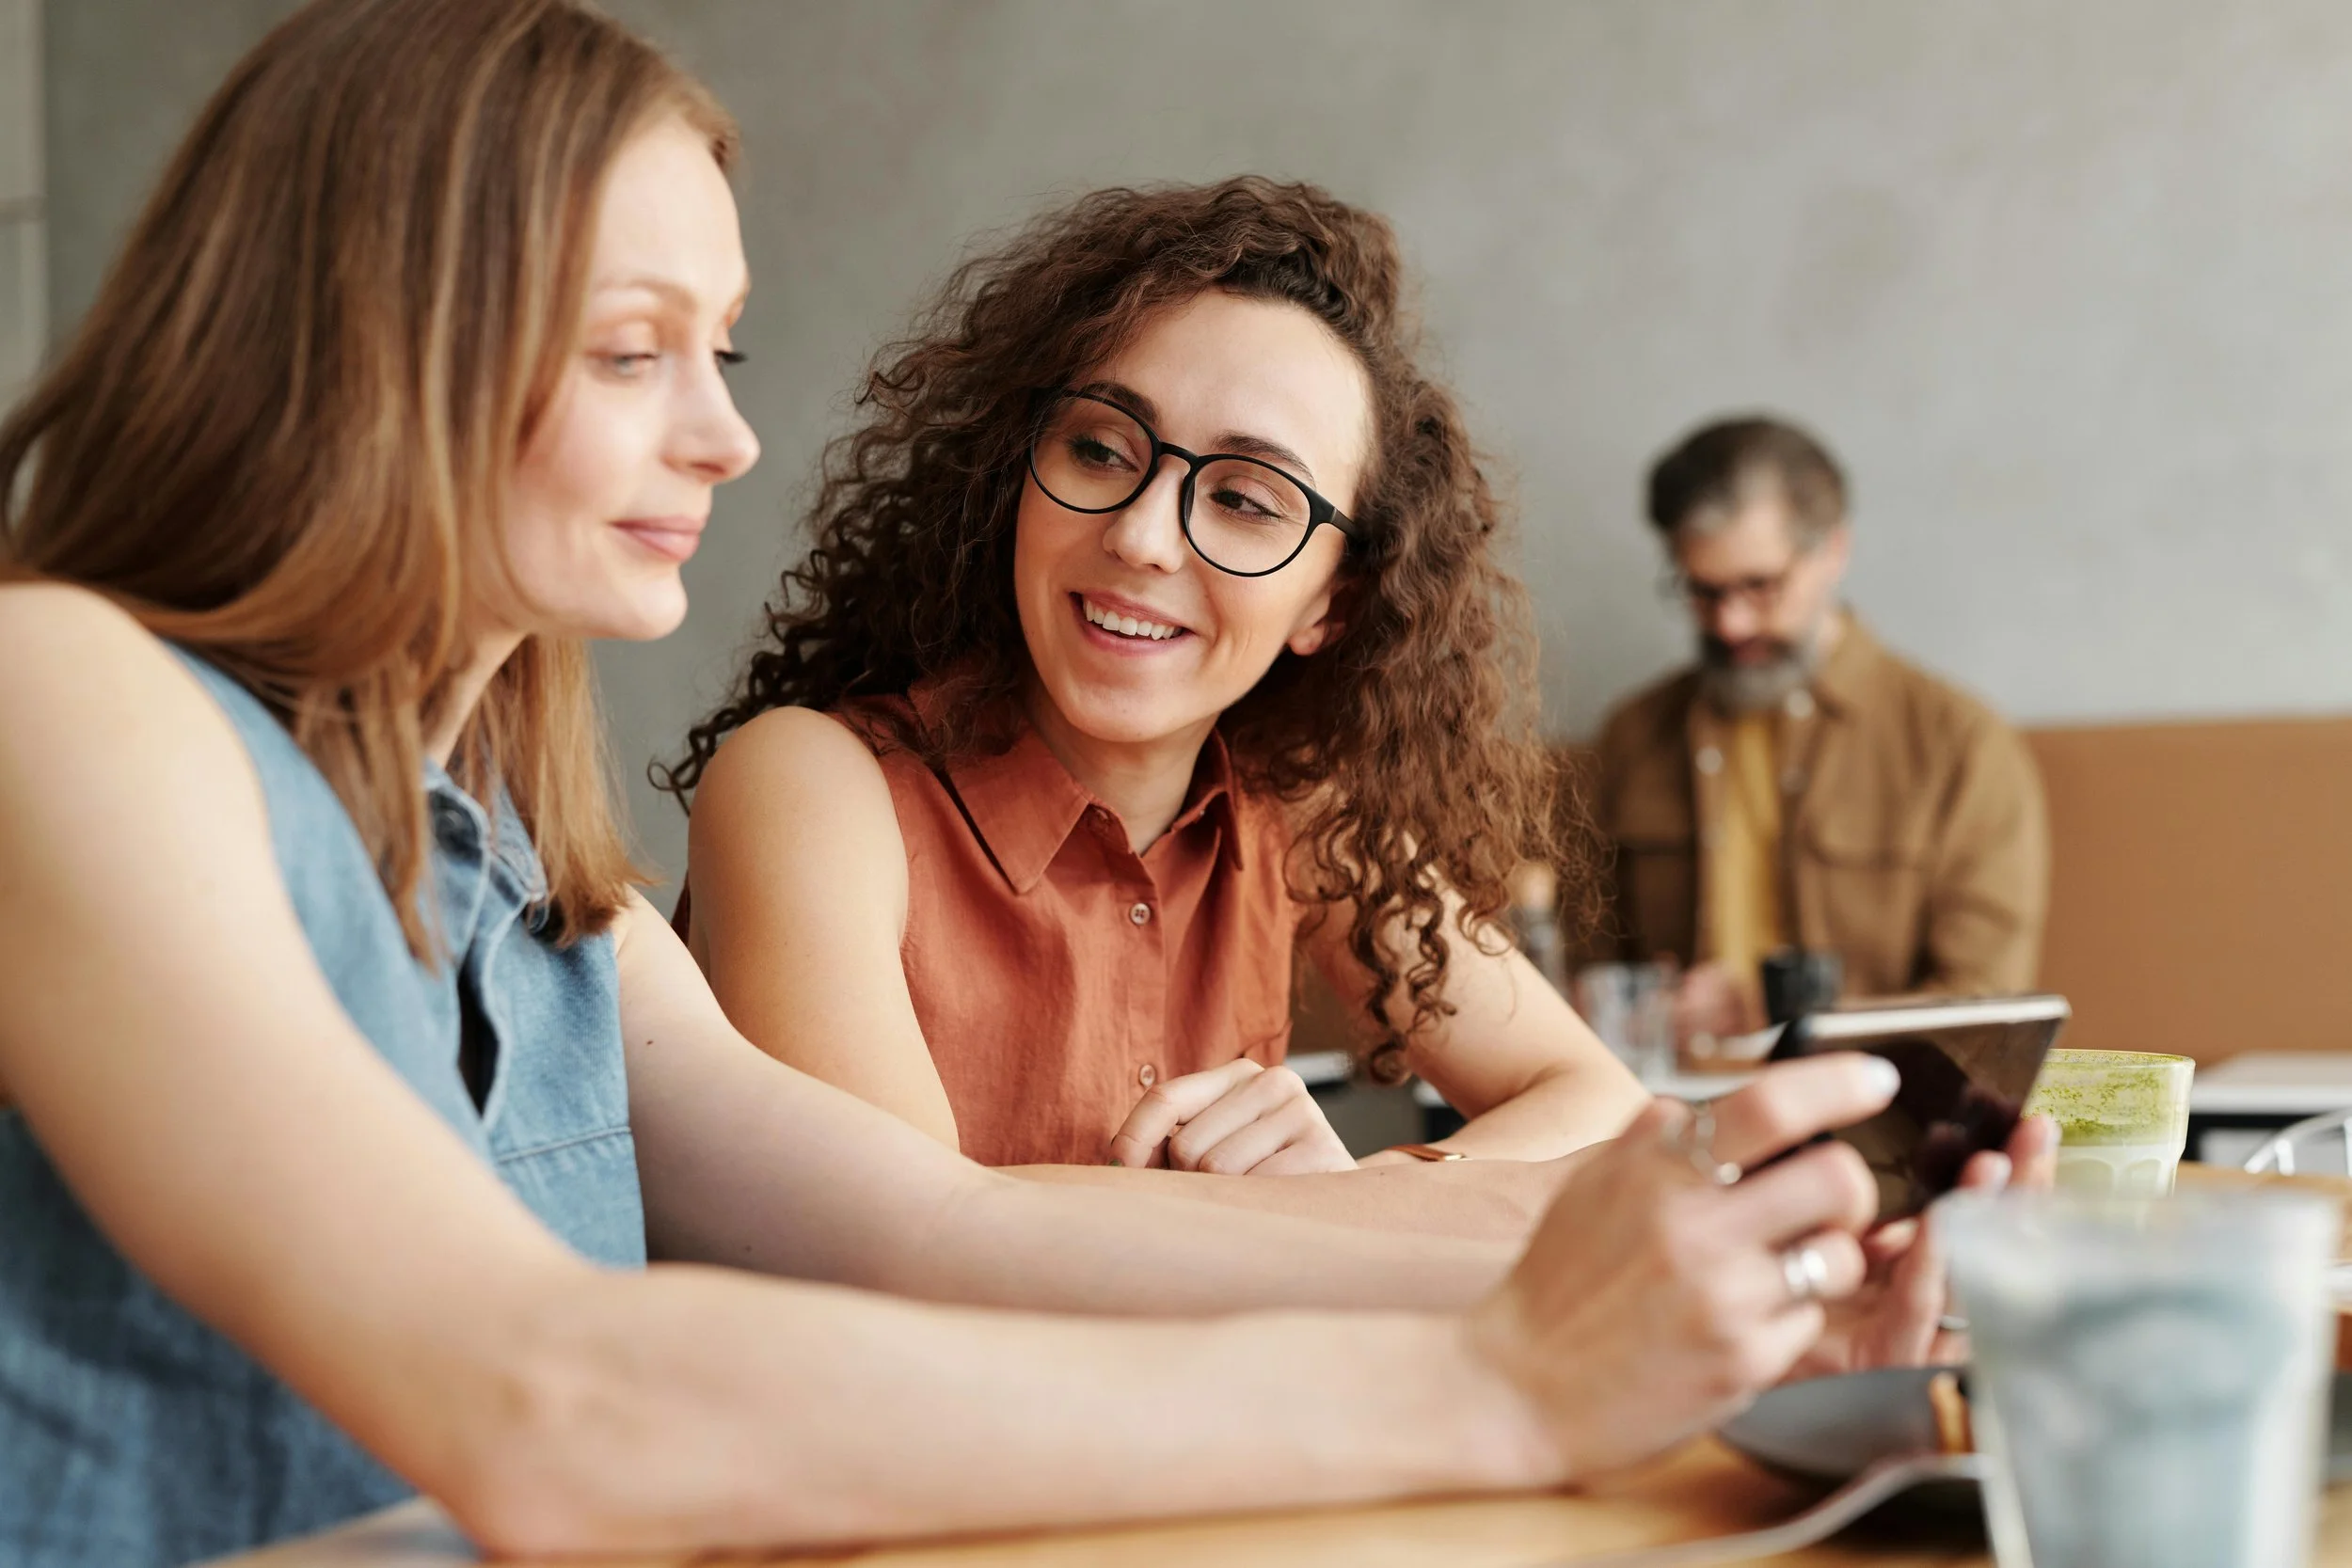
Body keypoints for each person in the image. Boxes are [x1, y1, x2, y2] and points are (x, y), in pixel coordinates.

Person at [0, 4, 2043, 1563]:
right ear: (367, 340)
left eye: (721, 345)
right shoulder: (57, 692)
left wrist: (1706, 1252)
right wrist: (1498, 1372)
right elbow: (547, 1398)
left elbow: (932, 1232)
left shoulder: (548, 882)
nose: (723, 434)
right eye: (634, 349)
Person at [665, 178, 1649, 1182]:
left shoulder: (1294, 810)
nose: (1139, 535)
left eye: (1246, 500)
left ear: (1331, 608)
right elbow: (913, 1244)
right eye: (1098, 448)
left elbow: (1602, 1104)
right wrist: (1292, 1227)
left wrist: (1362, 1189)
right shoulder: (810, 784)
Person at [1582, 416, 2051, 1056]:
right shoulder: (1632, 736)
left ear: (1833, 550)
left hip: (1873, 1129)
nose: (1730, 622)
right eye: (1702, 590)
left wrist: (1782, 1014)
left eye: (1760, 586)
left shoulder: (1959, 745)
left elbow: (1991, 1004)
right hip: (1664, 1125)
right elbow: (1580, 973)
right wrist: (1635, 1009)